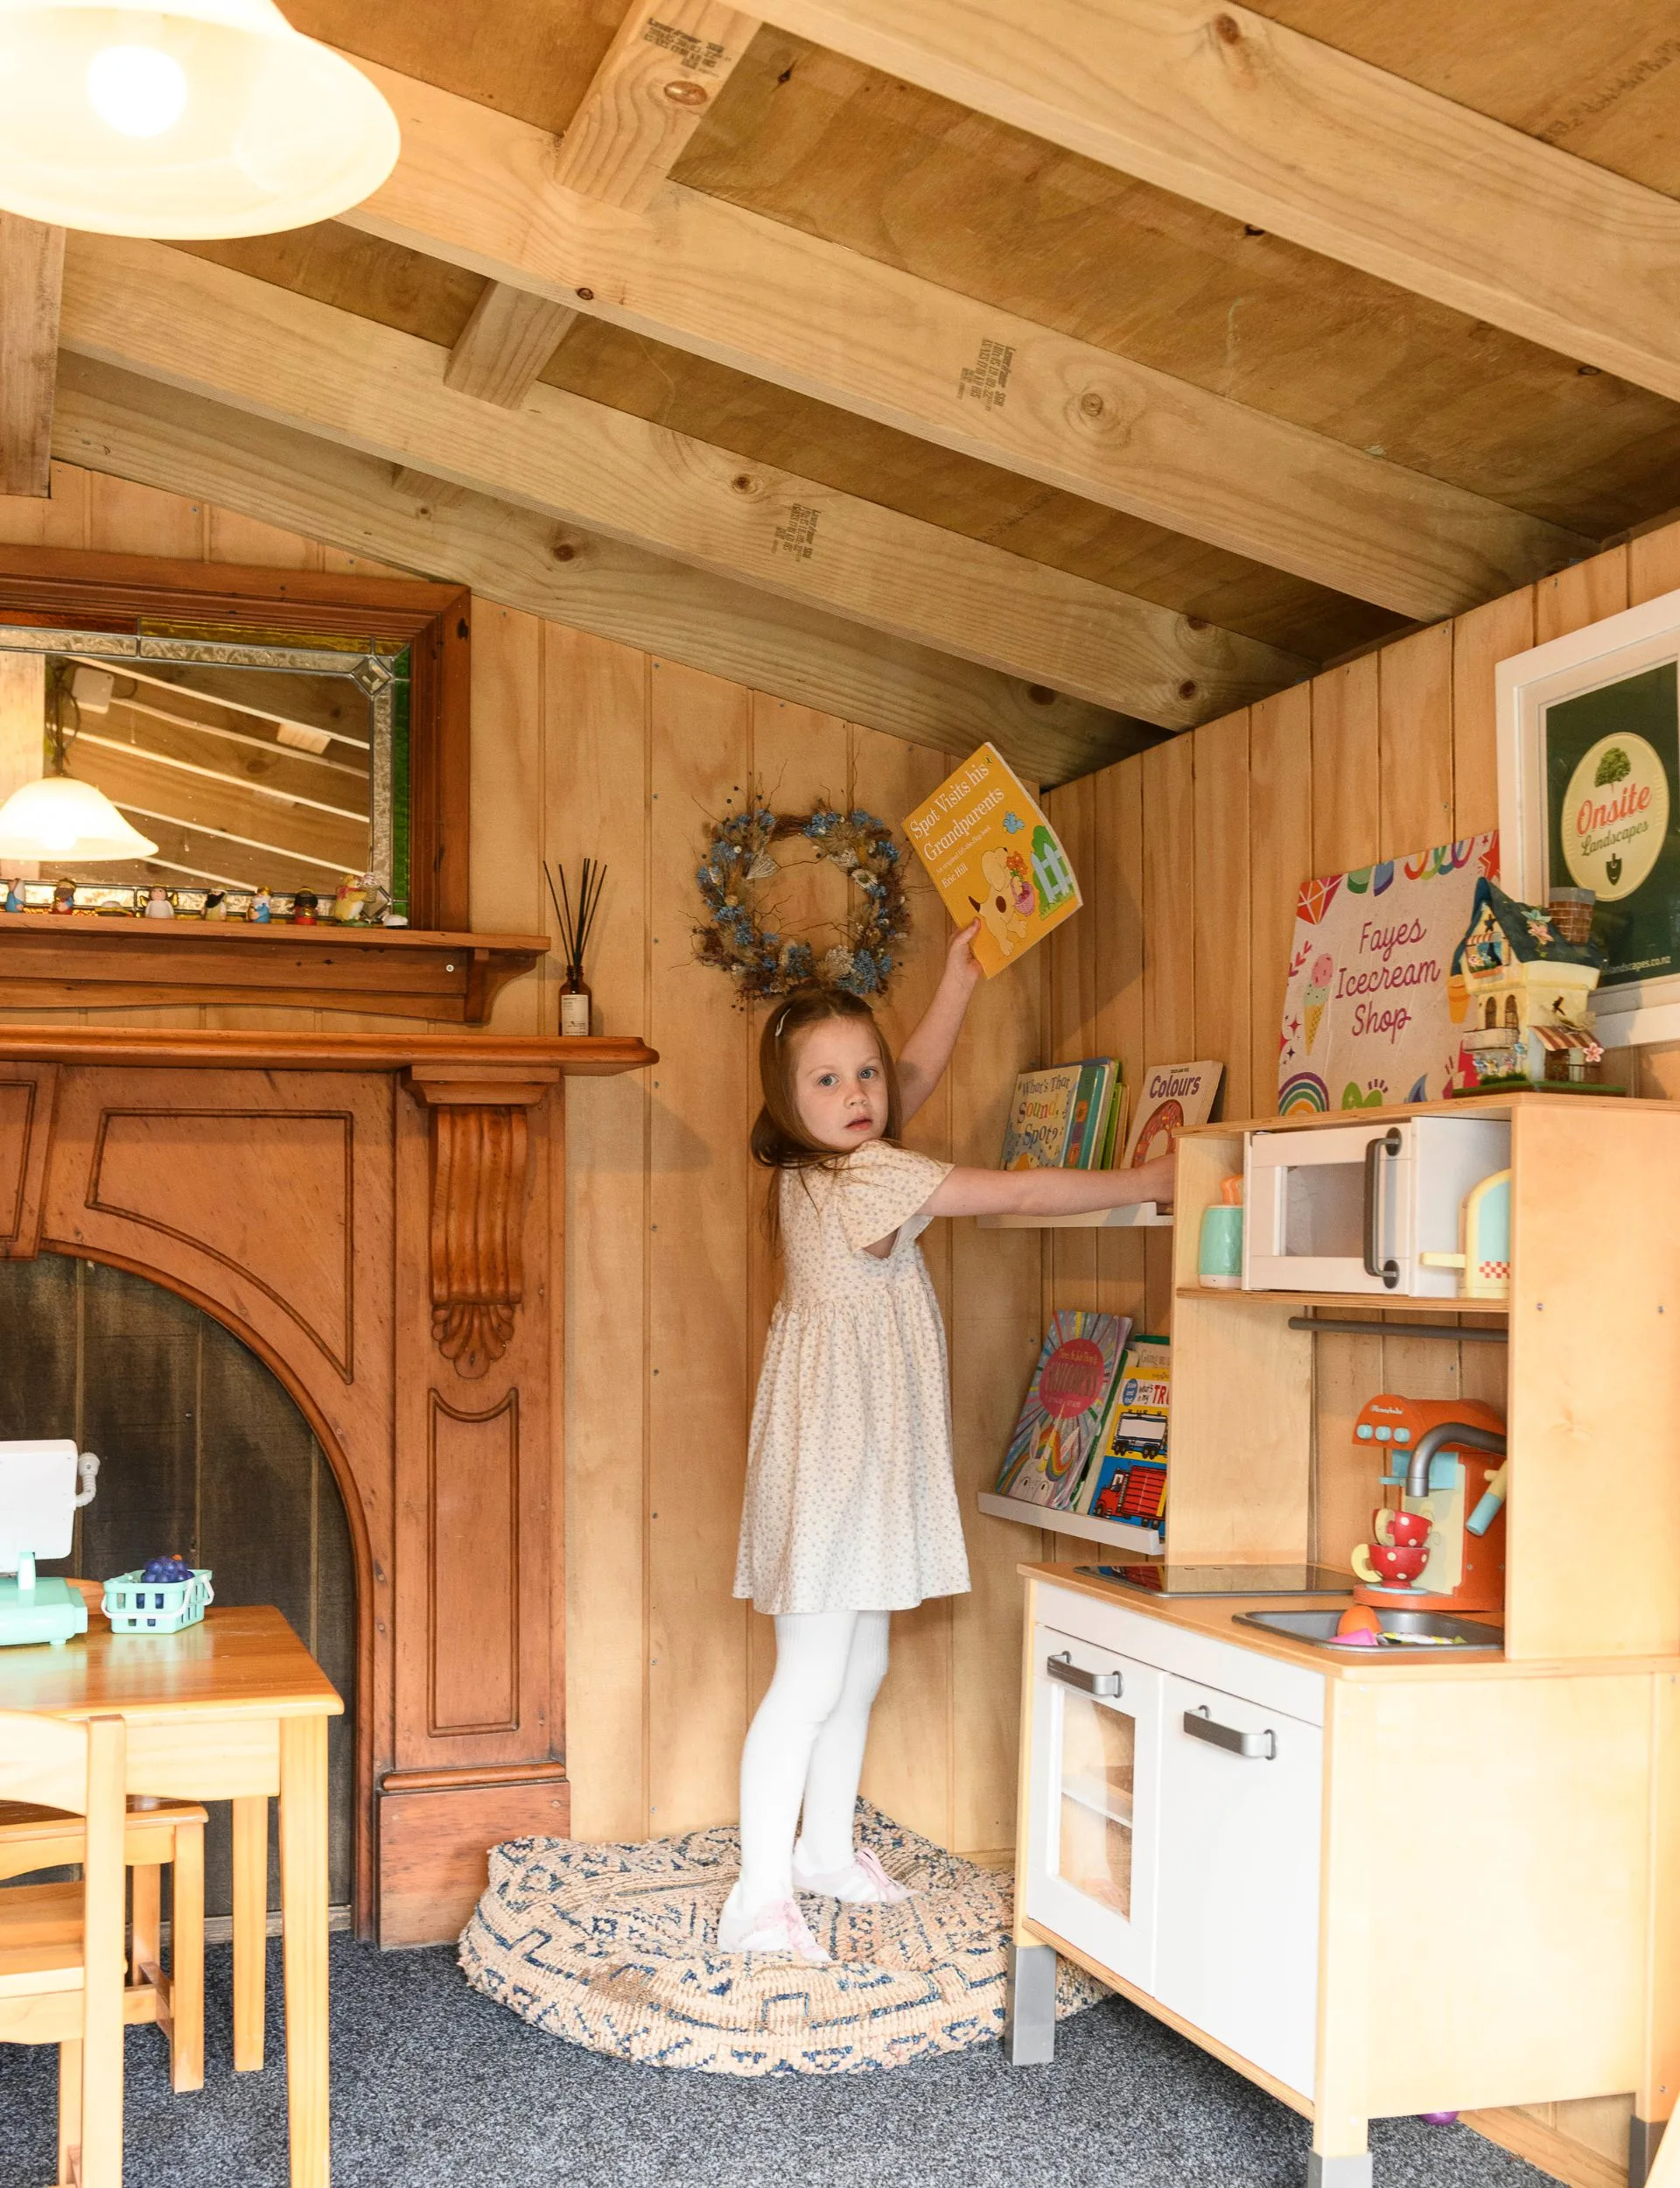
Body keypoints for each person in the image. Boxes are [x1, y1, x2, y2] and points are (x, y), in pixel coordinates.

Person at [721, 920, 1176, 1960]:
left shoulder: (832, 1163)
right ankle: (757, 1894)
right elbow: (1015, 1189)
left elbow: (911, 1078)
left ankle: (822, 1852)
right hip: (837, 1463)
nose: (859, 1093)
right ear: (788, 1101)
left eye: (865, 1074)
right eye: (829, 1080)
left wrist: (959, 980)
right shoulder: (863, 1178)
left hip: (855, 1454)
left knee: (859, 1663)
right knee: (810, 1677)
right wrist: (1145, 1181)